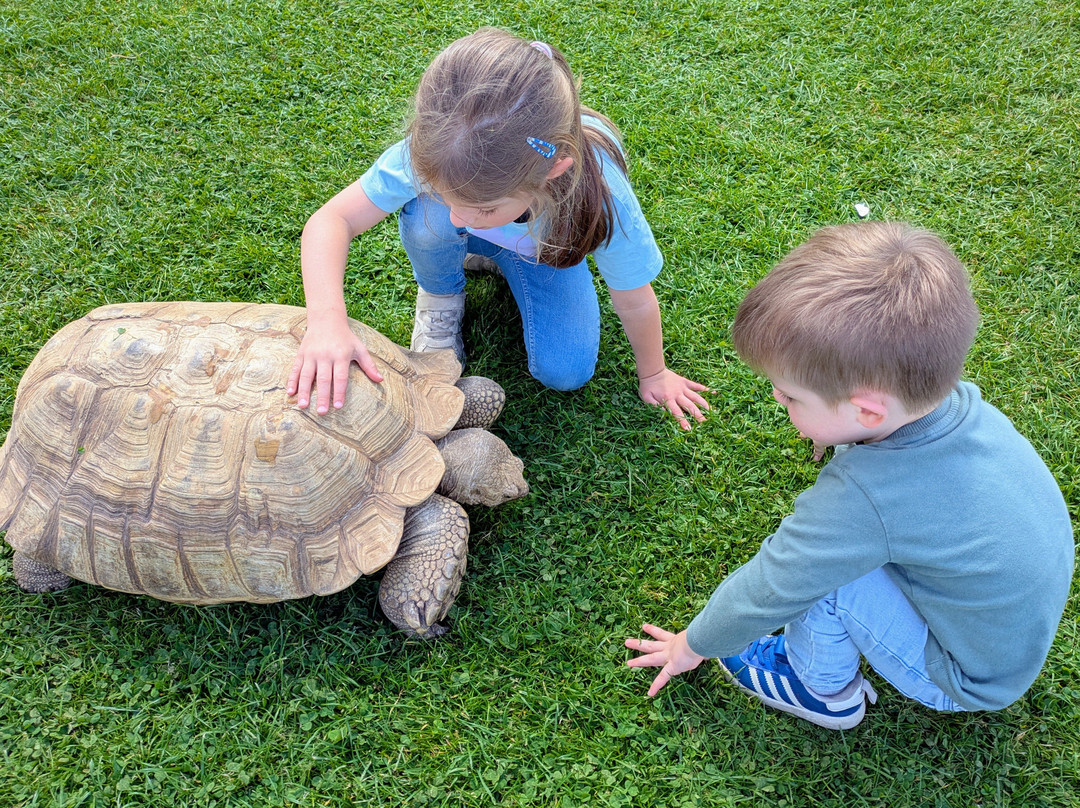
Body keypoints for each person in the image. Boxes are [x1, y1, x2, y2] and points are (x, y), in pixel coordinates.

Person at [625, 221, 1074, 729]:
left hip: (965, 675)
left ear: (867, 413)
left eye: (790, 396)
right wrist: (835, 427)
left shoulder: (865, 499)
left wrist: (694, 643)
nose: (777, 399)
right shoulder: (968, 412)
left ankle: (823, 692)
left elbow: (774, 584)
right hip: (1005, 632)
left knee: (831, 583)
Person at [287, 27, 709, 429]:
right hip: (498, 232)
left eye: (481, 208)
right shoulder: (438, 149)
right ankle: (441, 294)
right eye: (443, 192)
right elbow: (331, 219)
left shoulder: (602, 196)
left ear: (553, 171)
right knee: (431, 220)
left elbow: (635, 299)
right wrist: (326, 322)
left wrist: (654, 373)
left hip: (547, 253)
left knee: (567, 371)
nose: (456, 216)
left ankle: (502, 262)